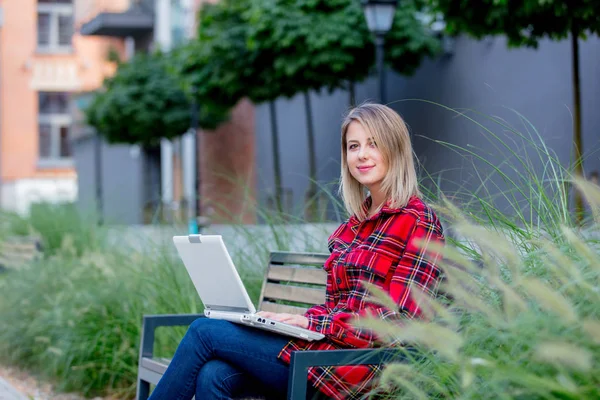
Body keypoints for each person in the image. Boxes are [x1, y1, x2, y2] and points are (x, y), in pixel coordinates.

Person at [148, 103, 445, 400]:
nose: (361, 154)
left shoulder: (418, 221)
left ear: (395, 149)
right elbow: (337, 308)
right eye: (353, 146)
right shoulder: (353, 226)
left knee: (204, 332)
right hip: (323, 354)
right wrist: (288, 323)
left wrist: (312, 323)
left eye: (373, 144)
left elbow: (401, 323)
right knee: (214, 373)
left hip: (358, 369)